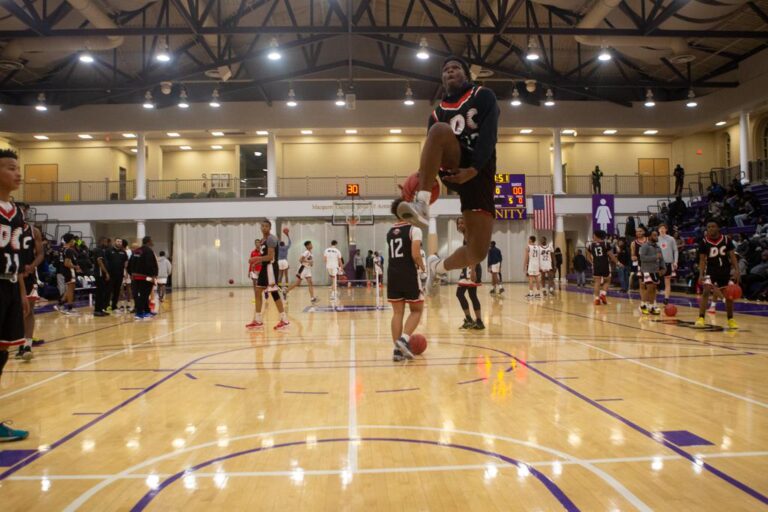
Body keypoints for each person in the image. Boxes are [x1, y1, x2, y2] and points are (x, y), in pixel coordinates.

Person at [396, 56, 499, 292]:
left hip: (479, 170)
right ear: (442, 79)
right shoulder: (437, 113)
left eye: (455, 68)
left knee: (477, 252)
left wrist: (473, 170)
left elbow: (490, 136)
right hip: (453, 167)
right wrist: (422, 177)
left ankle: (438, 266)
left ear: (467, 74)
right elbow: (434, 149)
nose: (450, 72)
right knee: (439, 130)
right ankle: (422, 204)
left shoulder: (483, 96)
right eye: (445, 70)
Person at [0, 148, 31, 441]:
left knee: (2, 353)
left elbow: (18, 258)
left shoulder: (17, 212)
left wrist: (21, 291)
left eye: (18, 168)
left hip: (10, 284)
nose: (17, 173)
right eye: (10, 168)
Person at [387, 199, 425, 361]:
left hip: (393, 273)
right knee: (417, 310)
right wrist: (423, 269)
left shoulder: (390, 231)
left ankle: (397, 351)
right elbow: (415, 254)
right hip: (408, 273)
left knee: (397, 313)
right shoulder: (414, 229)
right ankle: (403, 340)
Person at [695, 221, 740, 329]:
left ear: (718, 228)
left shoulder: (726, 240)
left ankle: (730, 319)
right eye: (708, 227)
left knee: (729, 296)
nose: (710, 228)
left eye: (713, 226)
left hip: (724, 270)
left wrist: (737, 270)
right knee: (705, 292)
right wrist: (701, 274)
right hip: (710, 270)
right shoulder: (704, 241)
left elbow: (732, 256)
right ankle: (701, 318)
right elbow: (702, 260)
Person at [247, 219, 289, 330]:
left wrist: (256, 258)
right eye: (262, 226)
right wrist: (256, 261)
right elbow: (264, 257)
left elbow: (270, 257)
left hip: (271, 268)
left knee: (274, 293)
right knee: (257, 291)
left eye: (266, 226)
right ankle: (258, 320)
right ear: (260, 228)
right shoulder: (262, 240)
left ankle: (284, 320)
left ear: (270, 228)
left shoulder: (271, 239)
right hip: (265, 268)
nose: (264, 228)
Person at [15, 202, 43, 360]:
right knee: (15, 311)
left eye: (24, 211)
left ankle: (27, 344)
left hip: (29, 275)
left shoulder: (34, 231)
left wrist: (31, 266)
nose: (23, 213)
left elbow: (40, 254)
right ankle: (16, 341)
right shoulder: (7, 229)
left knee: (28, 310)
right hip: (12, 275)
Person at [455, 217, 484, 329]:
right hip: (468, 267)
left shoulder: (469, 236)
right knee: (472, 295)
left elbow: (475, 253)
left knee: (460, 293)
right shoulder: (466, 236)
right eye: (458, 223)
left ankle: (471, 320)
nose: (460, 225)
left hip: (472, 267)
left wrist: (472, 270)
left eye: (463, 223)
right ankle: (477, 321)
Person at [587, 230, 621, 305]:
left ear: (596, 235)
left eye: (593, 235)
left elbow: (588, 256)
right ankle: (603, 294)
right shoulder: (606, 244)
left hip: (596, 265)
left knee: (597, 282)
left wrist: (592, 263)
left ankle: (596, 299)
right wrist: (617, 263)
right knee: (608, 280)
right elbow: (611, 256)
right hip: (605, 264)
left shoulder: (591, 245)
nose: (593, 236)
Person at [128, 236, 158, 320]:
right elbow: (150, 264)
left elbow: (129, 264)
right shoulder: (148, 251)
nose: (152, 242)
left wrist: (131, 274)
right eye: (152, 241)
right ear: (148, 242)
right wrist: (153, 275)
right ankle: (139, 313)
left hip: (135, 277)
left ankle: (147, 311)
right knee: (144, 295)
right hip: (145, 277)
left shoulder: (136, 251)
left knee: (142, 295)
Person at [638, 230, 665, 315]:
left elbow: (661, 259)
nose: (656, 237)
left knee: (654, 289)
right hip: (646, 270)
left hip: (655, 270)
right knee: (649, 288)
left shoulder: (658, 247)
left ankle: (652, 306)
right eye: (654, 235)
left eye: (657, 235)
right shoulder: (645, 246)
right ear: (649, 236)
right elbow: (642, 258)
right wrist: (654, 257)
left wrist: (663, 268)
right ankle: (643, 305)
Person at [54, 233, 79, 314]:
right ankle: (69, 308)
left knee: (69, 289)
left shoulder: (62, 249)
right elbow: (67, 263)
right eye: (73, 239)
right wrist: (76, 267)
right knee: (70, 290)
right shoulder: (69, 250)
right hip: (69, 271)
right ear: (70, 240)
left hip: (64, 271)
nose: (74, 241)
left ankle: (60, 304)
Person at [657, 224, 678, 305]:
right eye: (660, 228)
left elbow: (675, 250)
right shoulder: (656, 239)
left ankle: (666, 299)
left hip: (668, 263)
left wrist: (675, 261)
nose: (662, 230)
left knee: (667, 281)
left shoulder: (671, 239)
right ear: (658, 230)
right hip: (658, 264)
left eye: (663, 228)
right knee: (654, 282)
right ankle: (653, 299)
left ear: (666, 230)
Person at [106, 238, 128, 312]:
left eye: (120, 242)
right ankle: (107, 305)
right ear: (114, 242)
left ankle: (114, 306)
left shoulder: (123, 252)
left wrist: (126, 273)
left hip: (120, 274)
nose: (119, 243)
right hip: (110, 274)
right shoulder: (109, 251)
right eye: (118, 241)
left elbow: (126, 263)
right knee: (109, 290)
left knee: (117, 291)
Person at [92, 237, 111, 317]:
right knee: (99, 292)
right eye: (106, 242)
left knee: (102, 292)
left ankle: (100, 309)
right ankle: (97, 310)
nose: (107, 244)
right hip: (100, 274)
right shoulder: (98, 250)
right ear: (102, 241)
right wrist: (106, 272)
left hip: (101, 274)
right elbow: (99, 262)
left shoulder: (102, 250)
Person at [630, 225, 648, 292]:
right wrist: (634, 257)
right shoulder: (633, 243)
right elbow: (632, 256)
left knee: (650, 284)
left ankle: (651, 300)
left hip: (650, 264)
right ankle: (643, 301)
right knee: (642, 284)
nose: (638, 233)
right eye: (637, 231)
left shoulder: (648, 240)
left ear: (644, 232)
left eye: (640, 231)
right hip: (640, 265)